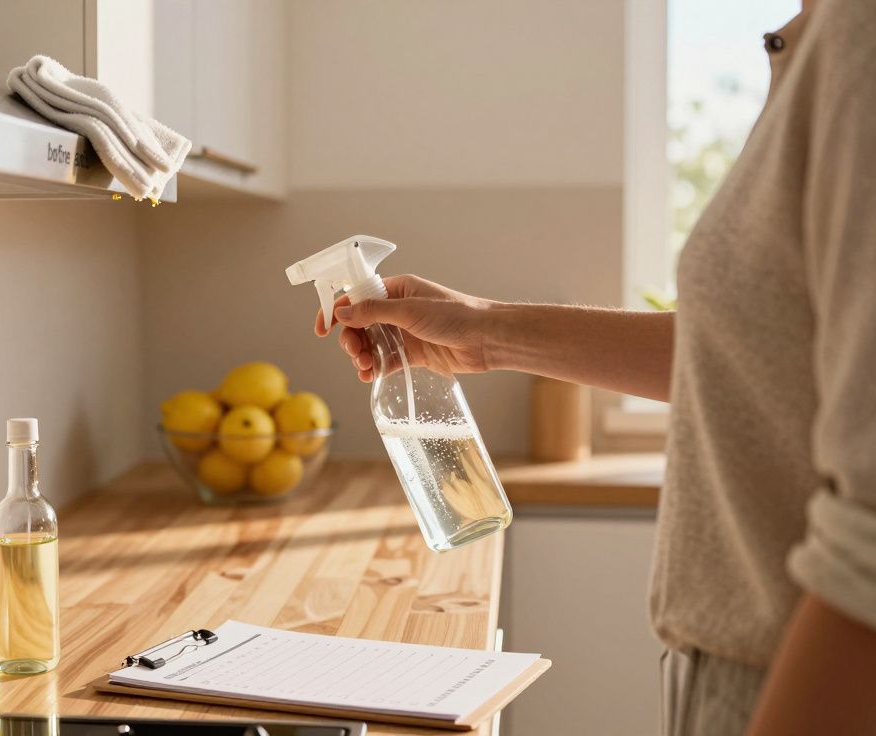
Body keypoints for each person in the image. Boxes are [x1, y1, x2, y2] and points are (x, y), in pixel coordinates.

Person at [315, 0, 876, 733]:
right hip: (736, 664)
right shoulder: (827, 37)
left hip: (806, 684)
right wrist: (483, 334)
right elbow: (764, 355)